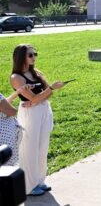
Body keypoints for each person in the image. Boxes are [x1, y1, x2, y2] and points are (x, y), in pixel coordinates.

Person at [11, 44, 65, 196]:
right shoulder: (16, 78)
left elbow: (47, 94)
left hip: (43, 110)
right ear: (21, 57)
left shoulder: (37, 73)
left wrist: (40, 97)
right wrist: (41, 96)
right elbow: (35, 97)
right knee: (29, 149)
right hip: (29, 114)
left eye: (35, 54)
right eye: (30, 55)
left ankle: (40, 180)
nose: (34, 57)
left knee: (42, 148)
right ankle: (28, 185)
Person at [0, 84, 31, 166]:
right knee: (6, 168)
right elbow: (11, 111)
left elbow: (2, 105)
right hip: (4, 138)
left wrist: (18, 92)